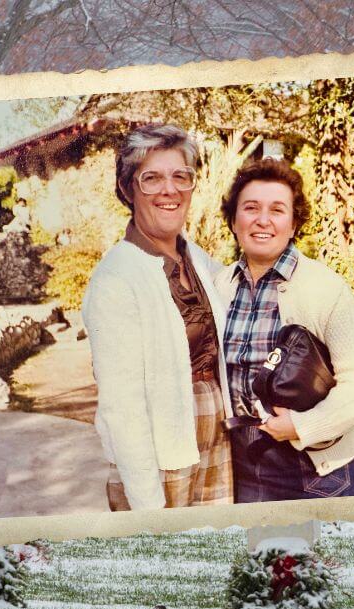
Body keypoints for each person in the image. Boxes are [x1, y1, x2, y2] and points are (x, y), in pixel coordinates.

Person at [81, 124, 234, 511]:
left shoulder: (198, 260)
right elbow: (122, 409)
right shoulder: (116, 279)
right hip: (160, 461)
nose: (170, 190)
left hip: (218, 445)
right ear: (127, 189)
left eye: (180, 176)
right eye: (151, 179)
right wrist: (148, 509)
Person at [214, 157, 354, 502]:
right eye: (250, 208)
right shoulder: (220, 286)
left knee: (324, 557)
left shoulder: (325, 288)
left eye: (277, 209)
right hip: (243, 466)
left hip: (316, 472)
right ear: (233, 220)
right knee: (261, 555)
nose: (263, 220)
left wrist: (303, 427)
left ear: (293, 225)